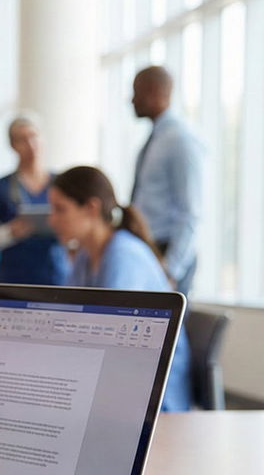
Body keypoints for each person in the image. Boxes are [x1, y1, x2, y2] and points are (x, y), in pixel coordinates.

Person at [48, 165, 191, 412]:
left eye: (60, 209)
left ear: (91, 208)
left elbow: (113, 345)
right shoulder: (84, 255)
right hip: (119, 382)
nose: (52, 220)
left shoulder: (124, 256)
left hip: (152, 394)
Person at [128, 66, 206, 294]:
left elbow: (190, 211)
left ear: (153, 91)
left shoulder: (180, 140)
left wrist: (170, 269)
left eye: (136, 92)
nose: (131, 100)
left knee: (169, 329)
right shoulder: (158, 138)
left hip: (167, 254)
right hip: (150, 250)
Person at [0, 115, 71, 285]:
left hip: (54, 276)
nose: (31, 145)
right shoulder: (1, 187)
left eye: (34, 136)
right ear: (12, 145)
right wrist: (11, 232)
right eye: (22, 140)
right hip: (13, 278)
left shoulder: (61, 183)